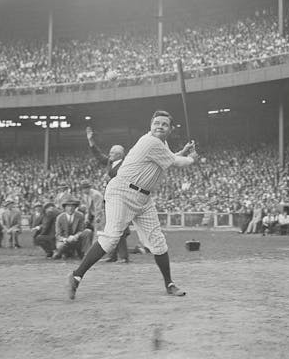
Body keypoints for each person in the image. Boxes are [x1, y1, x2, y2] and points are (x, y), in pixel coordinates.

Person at [66, 110, 198, 300]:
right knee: (111, 238)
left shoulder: (162, 144)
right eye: (157, 123)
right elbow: (175, 162)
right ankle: (76, 276)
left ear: (170, 129)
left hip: (143, 198)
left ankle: (169, 283)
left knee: (158, 242)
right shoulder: (150, 141)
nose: (160, 126)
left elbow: (167, 158)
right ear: (150, 125)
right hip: (122, 192)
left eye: (164, 124)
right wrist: (192, 158)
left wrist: (182, 152)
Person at [86, 126, 130, 263]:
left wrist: (110, 179)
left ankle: (123, 257)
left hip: (120, 200)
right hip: (110, 199)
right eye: (110, 152)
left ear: (119, 154)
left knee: (119, 228)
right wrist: (91, 141)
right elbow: (98, 155)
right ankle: (113, 256)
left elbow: (124, 181)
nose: (109, 154)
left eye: (112, 152)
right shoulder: (110, 163)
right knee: (111, 228)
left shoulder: (125, 165)